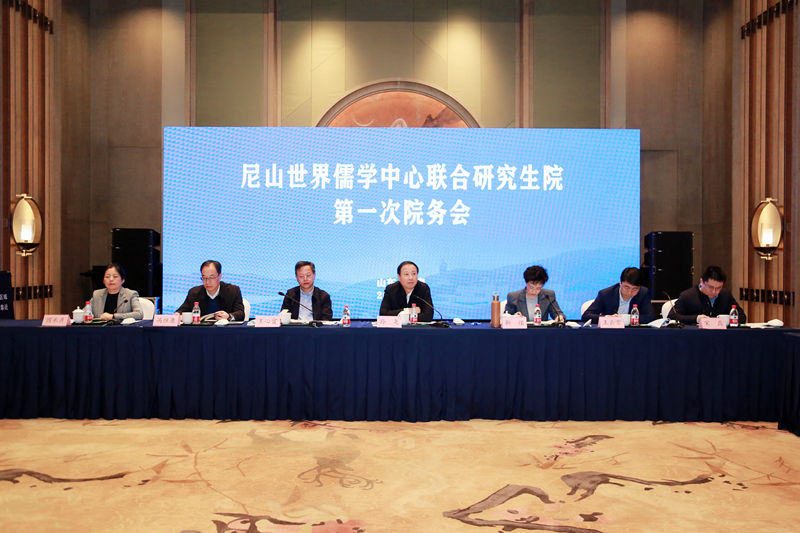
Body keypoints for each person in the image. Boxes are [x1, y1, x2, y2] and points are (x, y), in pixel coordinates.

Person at [669, 265, 747, 325]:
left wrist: (725, 320)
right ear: (701, 281)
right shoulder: (688, 295)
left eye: (719, 288)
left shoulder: (726, 295)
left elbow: (742, 317)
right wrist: (697, 319)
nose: (714, 291)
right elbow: (672, 316)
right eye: (710, 287)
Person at [175, 260, 245, 321]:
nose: (207, 282)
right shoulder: (194, 293)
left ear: (220, 276)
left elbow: (240, 313)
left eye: (211, 278)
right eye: (204, 278)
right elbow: (182, 310)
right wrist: (177, 315)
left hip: (225, 330)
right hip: (201, 330)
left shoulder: (233, 291)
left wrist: (229, 316)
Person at [582, 267, 656, 324]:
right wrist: (608, 318)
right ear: (620, 283)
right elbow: (586, 316)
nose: (629, 293)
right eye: (627, 288)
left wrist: (627, 318)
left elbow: (650, 317)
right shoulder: (606, 294)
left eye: (635, 289)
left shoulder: (643, 293)